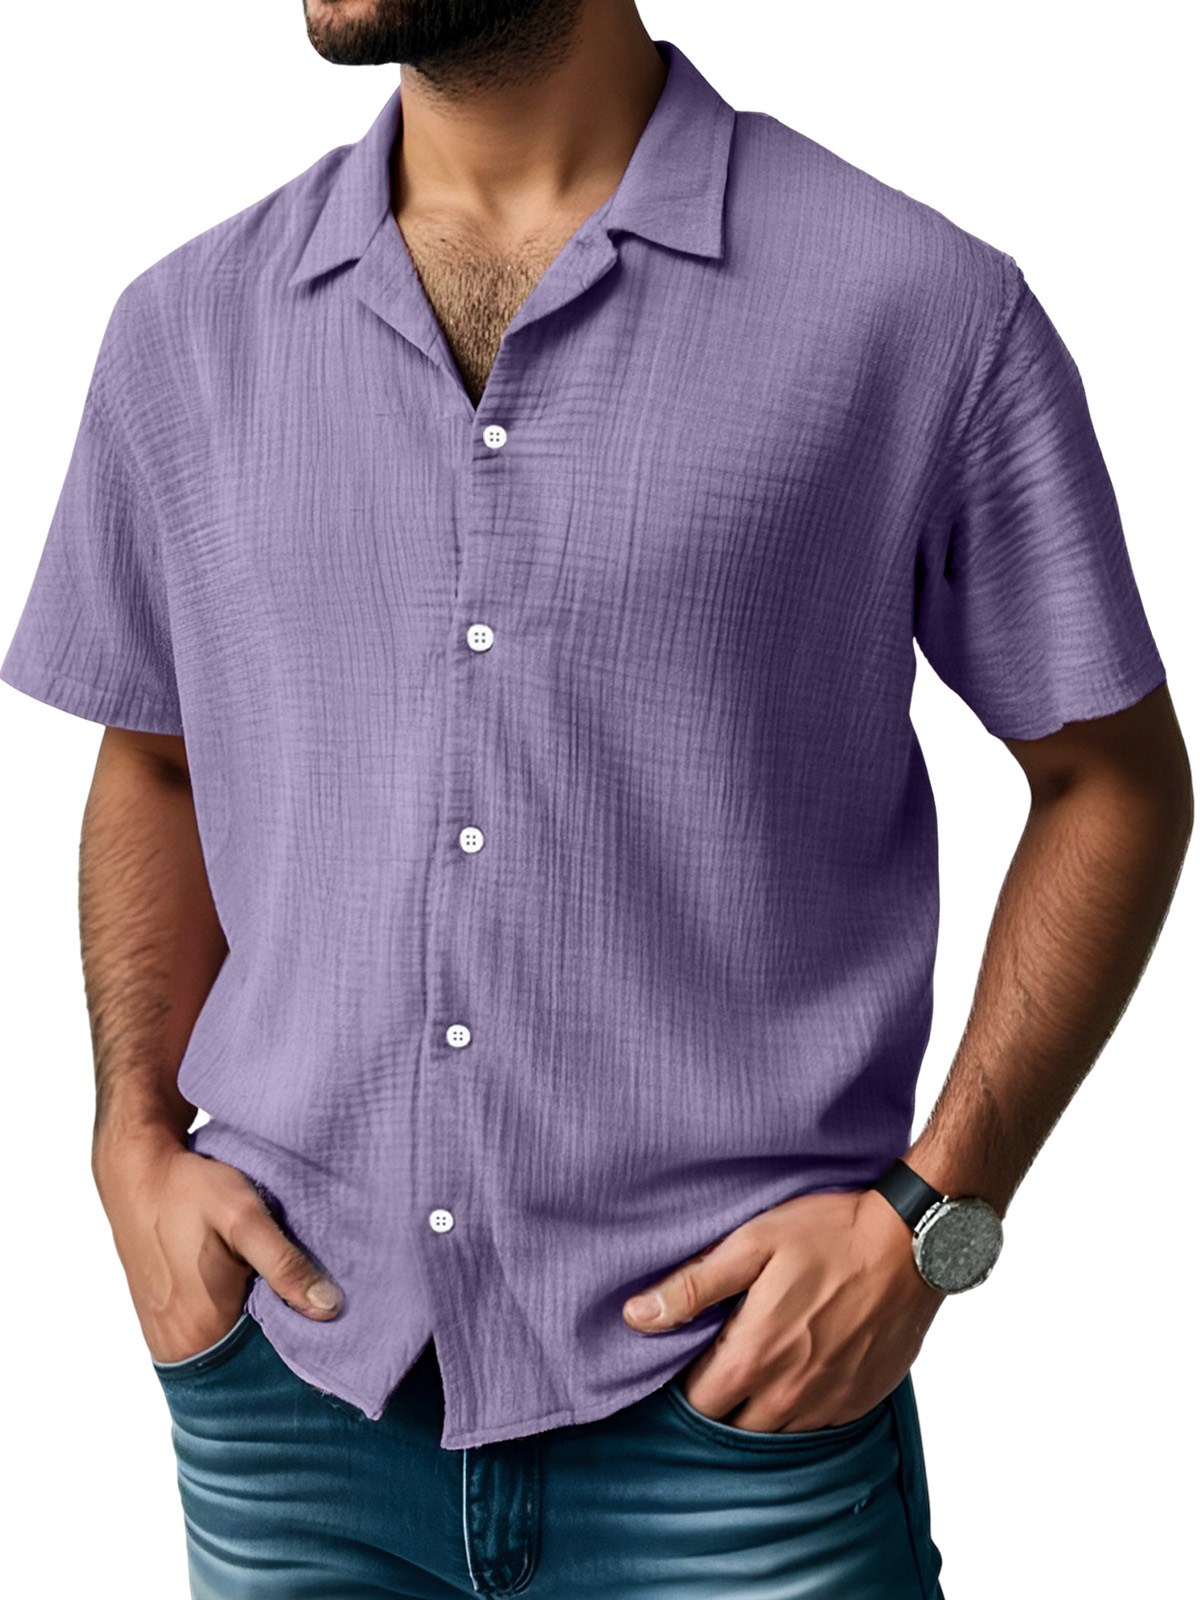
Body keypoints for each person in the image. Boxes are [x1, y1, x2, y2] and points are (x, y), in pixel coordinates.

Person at [2, 1, 1191, 1596]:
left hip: (738, 1417)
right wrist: (131, 1140)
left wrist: (936, 1214)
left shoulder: (916, 307)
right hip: (291, 1399)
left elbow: (1107, 779)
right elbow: (155, 753)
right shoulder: (186, 330)